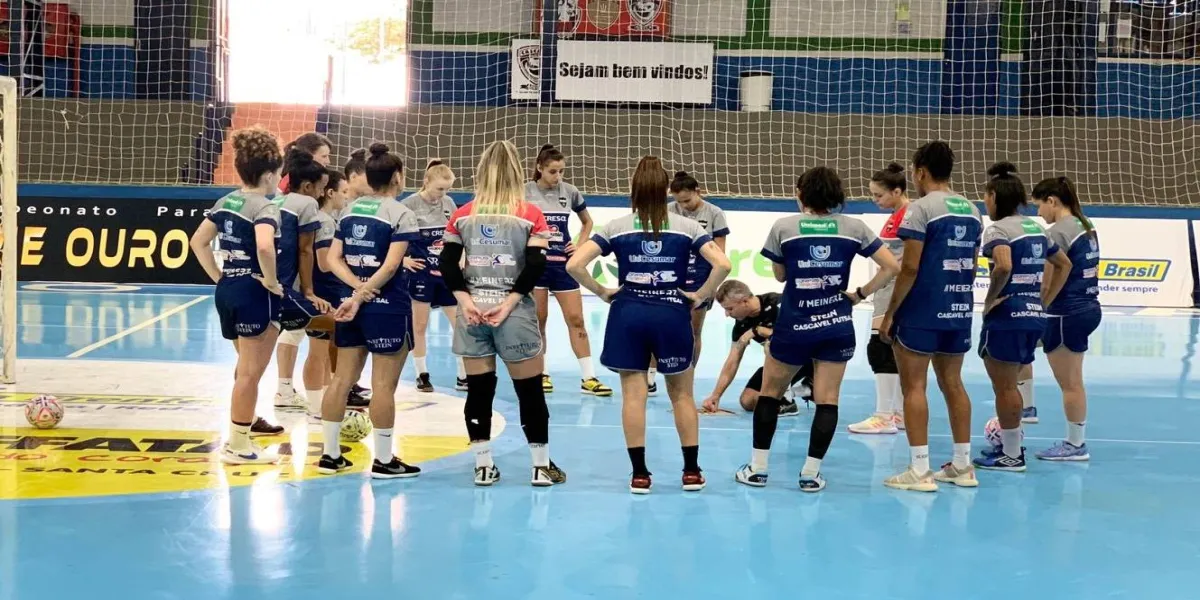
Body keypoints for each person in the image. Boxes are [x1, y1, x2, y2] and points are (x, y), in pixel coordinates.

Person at [567, 156, 731, 494]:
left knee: (633, 396)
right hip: (672, 314)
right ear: (665, 189)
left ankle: (640, 475)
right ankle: (691, 472)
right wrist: (700, 295)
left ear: (634, 189)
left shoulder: (616, 226)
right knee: (682, 395)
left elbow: (574, 265)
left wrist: (602, 292)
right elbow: (723, 264)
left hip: (628, 314)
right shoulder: (687, 226)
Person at [734, 166, 899, 492]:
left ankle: (758, 469)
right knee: (827, 400)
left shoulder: (784, 227)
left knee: (770, 394)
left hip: (793, 325)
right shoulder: (854, 227)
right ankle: (811, 474)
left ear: (801, 194)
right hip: (836, 325)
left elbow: (780, 276)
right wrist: (860, 294)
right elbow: (891, 266)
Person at [440, 140, 567, 487]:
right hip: (513, 314)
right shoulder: (530, 214)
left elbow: (447, 262)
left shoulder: (462, 214)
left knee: (478, 392)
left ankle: (483, 466)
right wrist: (509, 302)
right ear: (517, 172)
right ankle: (540, 467)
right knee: (530, 391)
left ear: (481, 172)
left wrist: (464, 301)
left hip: (473, 313)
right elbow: (536, 265)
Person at [879, 141, 982, 492]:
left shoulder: (920, 209)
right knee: (953, 383)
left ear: (920, 172)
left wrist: (891, 312)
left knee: (914, 387)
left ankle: (920, 470)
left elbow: (909, 267)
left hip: (922, 308)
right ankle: (963, 466)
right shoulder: (972, 210)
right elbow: (973, 266)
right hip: (959, 307)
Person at [316, 143, 422, 480]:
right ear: (397, 177)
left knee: (341, 380)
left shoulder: (349, 210)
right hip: (387, 307)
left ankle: (330, 455)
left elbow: (333, 259)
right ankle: (384, 460)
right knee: (383, 387)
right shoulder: (400, 213)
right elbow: (390, 267)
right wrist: (364, 293)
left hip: (350, 305)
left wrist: (355, 290)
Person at [188, 125, 285, 464]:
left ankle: (244, 427)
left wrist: (220, 277)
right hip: (254, 292)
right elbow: (264, 246)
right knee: (250, 373)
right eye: (279, 173)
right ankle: (238, 445)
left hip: (228, 288)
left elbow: (198, 241)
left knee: (244, 368)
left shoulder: (226, 201)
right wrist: (271, 281)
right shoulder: (265, 207)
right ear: (270, 175)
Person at [972, 163, 1073, 472]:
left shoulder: (998, 229)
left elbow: (1003, 265)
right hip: (1033, 315)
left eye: (986, 197)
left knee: (1004, 388)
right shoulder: (1036, 228)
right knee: (1011, 385)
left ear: (994, 196)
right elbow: (1064, 264)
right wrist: (1043, 301)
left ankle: (1011, 454)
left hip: (1008, 316)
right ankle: (1011, 448)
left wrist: (990, 300)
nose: (984, 203)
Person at [525, 144, 611, 397]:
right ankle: (541, 373)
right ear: (540, 168)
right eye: (553, 171)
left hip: (563, 266)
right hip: (537, 265)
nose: (558, 176)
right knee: (538, 320)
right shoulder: (524, 192)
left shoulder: (570, 191)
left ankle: (589, 378)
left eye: (562, 171)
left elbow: (587, 222)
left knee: (576, 319)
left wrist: (580, 244)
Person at [1031, 176, 1100, 461]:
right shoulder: (1085, 224)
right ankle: (1072, 439)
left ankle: (1075, 444)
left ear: (1052, 201)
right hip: (1088, 307)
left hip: (1065, 313)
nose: (1039, 213)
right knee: (1073, 380)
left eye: (1039, 206)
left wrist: (1040, 307)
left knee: (1070, 383)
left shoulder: (1058, 232)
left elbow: (1049, 281)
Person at [848, 163, 910, 435]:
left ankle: (884, 416)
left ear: (896, 191)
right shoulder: (897, 215)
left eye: (879, 195)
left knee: (880, 346)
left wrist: (863, 292)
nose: (875, 200)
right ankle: (899, 413)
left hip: (894, 288)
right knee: (896, 349)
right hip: (891, 288)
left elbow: (901, 262)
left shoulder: (907, 215)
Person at [274, 133, 333, 409]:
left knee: (253, 355)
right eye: (324, 156)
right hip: (287, 286)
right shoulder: (305, 202)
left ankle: (288, 393)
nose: (322, 193)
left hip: (264, 282)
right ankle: (322, 403)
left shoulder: (276, 199)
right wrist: (308, 290)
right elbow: (306, 250)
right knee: (332, 325)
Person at [401, 160, 468, 393]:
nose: (443, 194)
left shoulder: (448, 203)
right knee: (419, 325)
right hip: (421, 273)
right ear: (426, 181)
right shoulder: (409, 205)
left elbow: (457, 234)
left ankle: (463, 375)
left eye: (447, 189)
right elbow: (393, 238)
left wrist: (461, 256)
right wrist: (403, 260)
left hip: (446, 273)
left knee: (459, 324)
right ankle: (421, 374)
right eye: (440, 188)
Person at [701, 280, 810, 416]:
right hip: (777, 365)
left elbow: (803, 336)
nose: (727, 314)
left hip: (806, 361)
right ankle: (791, 397)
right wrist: (716, 395)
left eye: (729, 309)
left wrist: (759, 331)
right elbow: (732, 361)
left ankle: (797, 391)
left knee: (771, 345)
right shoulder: (741, 324)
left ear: (745, 301)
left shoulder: (779, 304)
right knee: (747, 401)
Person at [666, 170, 729, 388]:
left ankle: (688, 373)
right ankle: (652, 375)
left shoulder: (715, 213)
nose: (683, 206)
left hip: (701, 278)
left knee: (694, 331)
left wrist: (712, 285)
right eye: (679, 201)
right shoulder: (669, 211)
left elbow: (720, 253)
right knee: (662, 328)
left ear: (698, 192)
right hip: (673, 276)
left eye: (687, 200)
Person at [302, 168, 350, 417]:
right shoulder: (325, 221)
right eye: (344, 192)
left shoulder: (326, 219)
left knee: (324, 350)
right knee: (318, 351)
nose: (346, 197)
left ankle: (323, 401)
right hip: (324, 293)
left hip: (326, 291)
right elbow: (323, 263)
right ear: (330, 193)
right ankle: (315, 406)